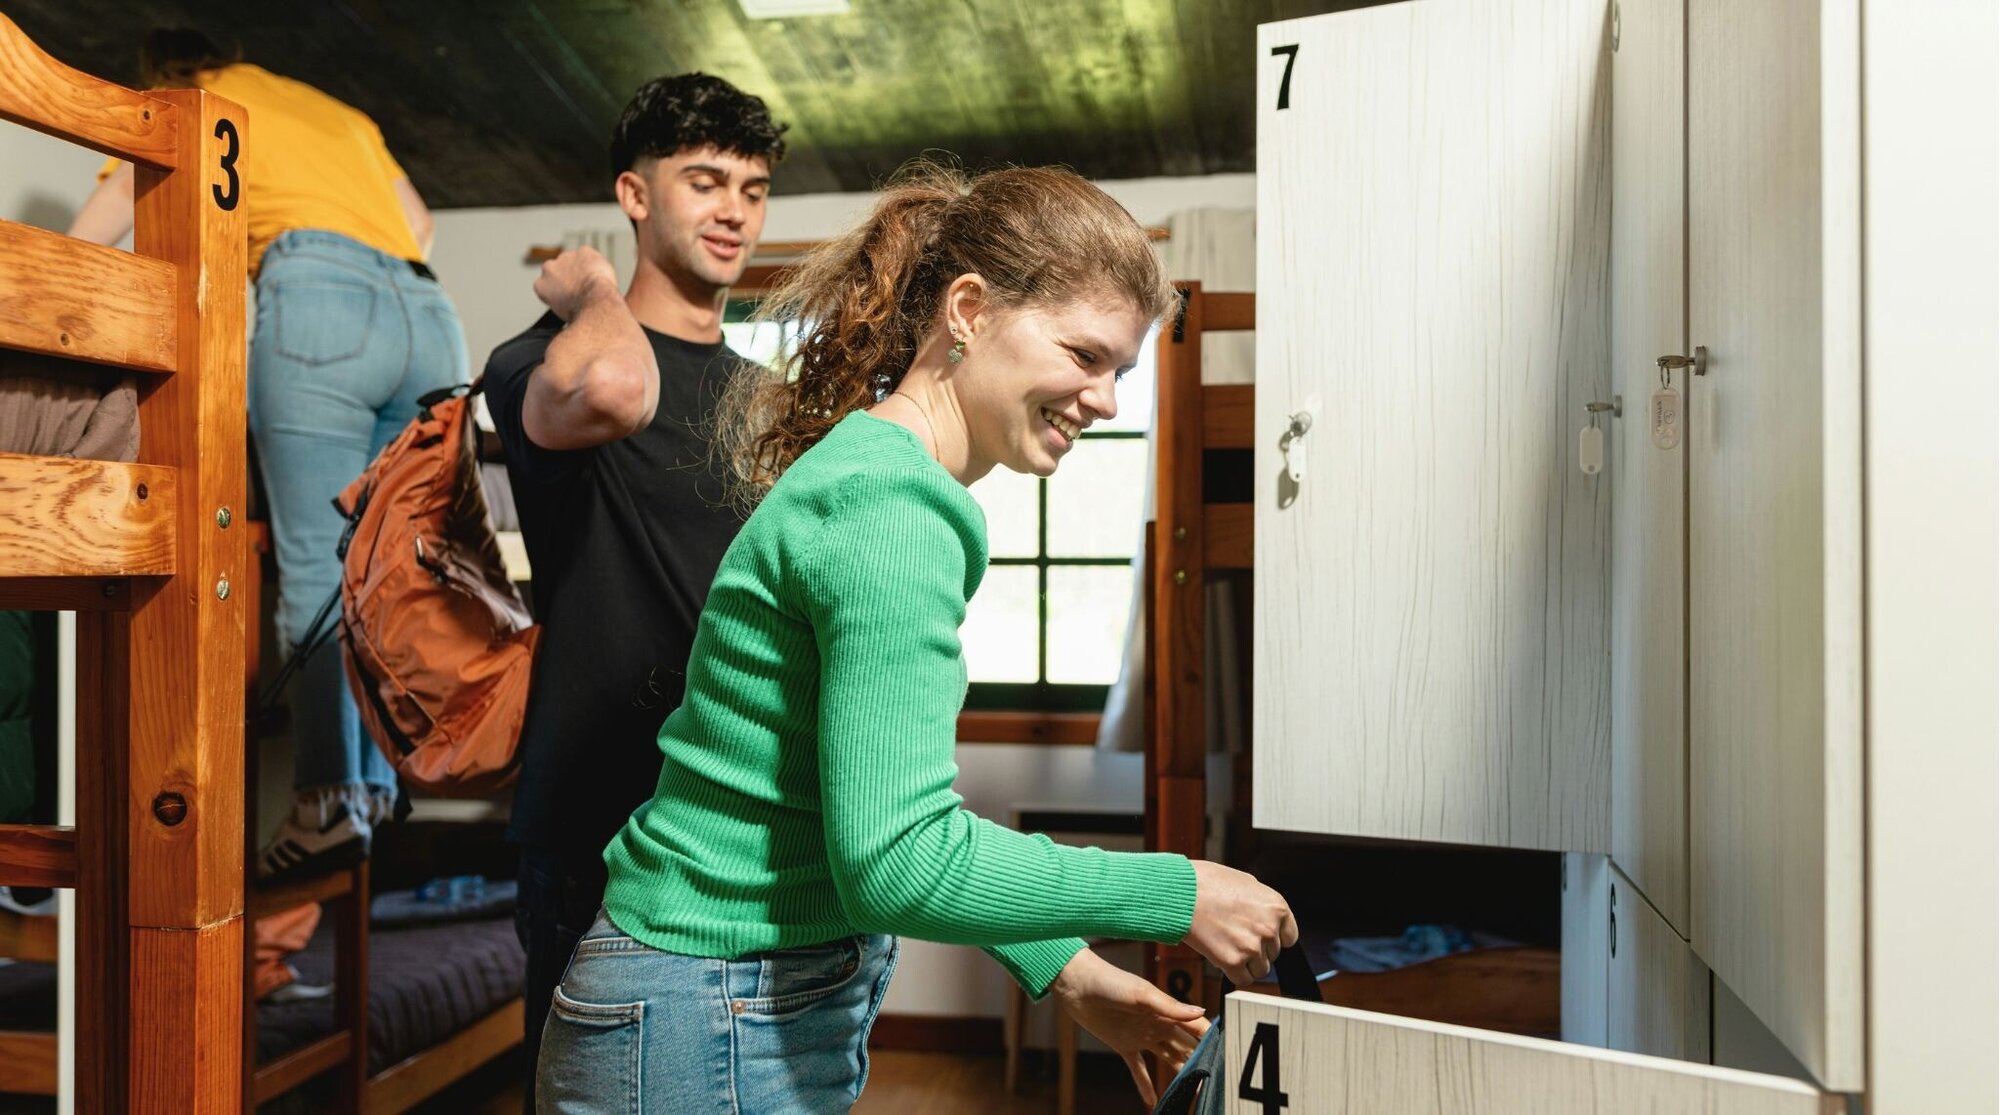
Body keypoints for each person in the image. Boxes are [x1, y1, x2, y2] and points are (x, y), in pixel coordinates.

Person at [536, 162, 1298, 1113]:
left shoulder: (877, 475)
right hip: (705, 1012)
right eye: (1085, 354)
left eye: (1121, 372)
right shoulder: (893, 508)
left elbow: (851, 805)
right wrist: (1181, 893)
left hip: (696, 997)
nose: (1106, 399)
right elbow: (898, 858)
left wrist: (1066, 968)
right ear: (968, 310)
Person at [67, 29, 469, 881]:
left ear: (168, 72)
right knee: (383, 568)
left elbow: (97, 232)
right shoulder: (338, 113)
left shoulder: (191, 102)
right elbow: (421, 224)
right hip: (431, 317)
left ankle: (326, 801)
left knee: (317, 566)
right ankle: (369, 793)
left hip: (319, 297)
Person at [480, 73, 784, 1104]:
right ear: (634, 193)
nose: (734, 209)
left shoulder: (769, 401)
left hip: (733, 816)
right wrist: (589, 291)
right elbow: (614, 390)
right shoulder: (543, 358)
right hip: (593, 821)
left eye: (752, 188)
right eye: (704, 181)